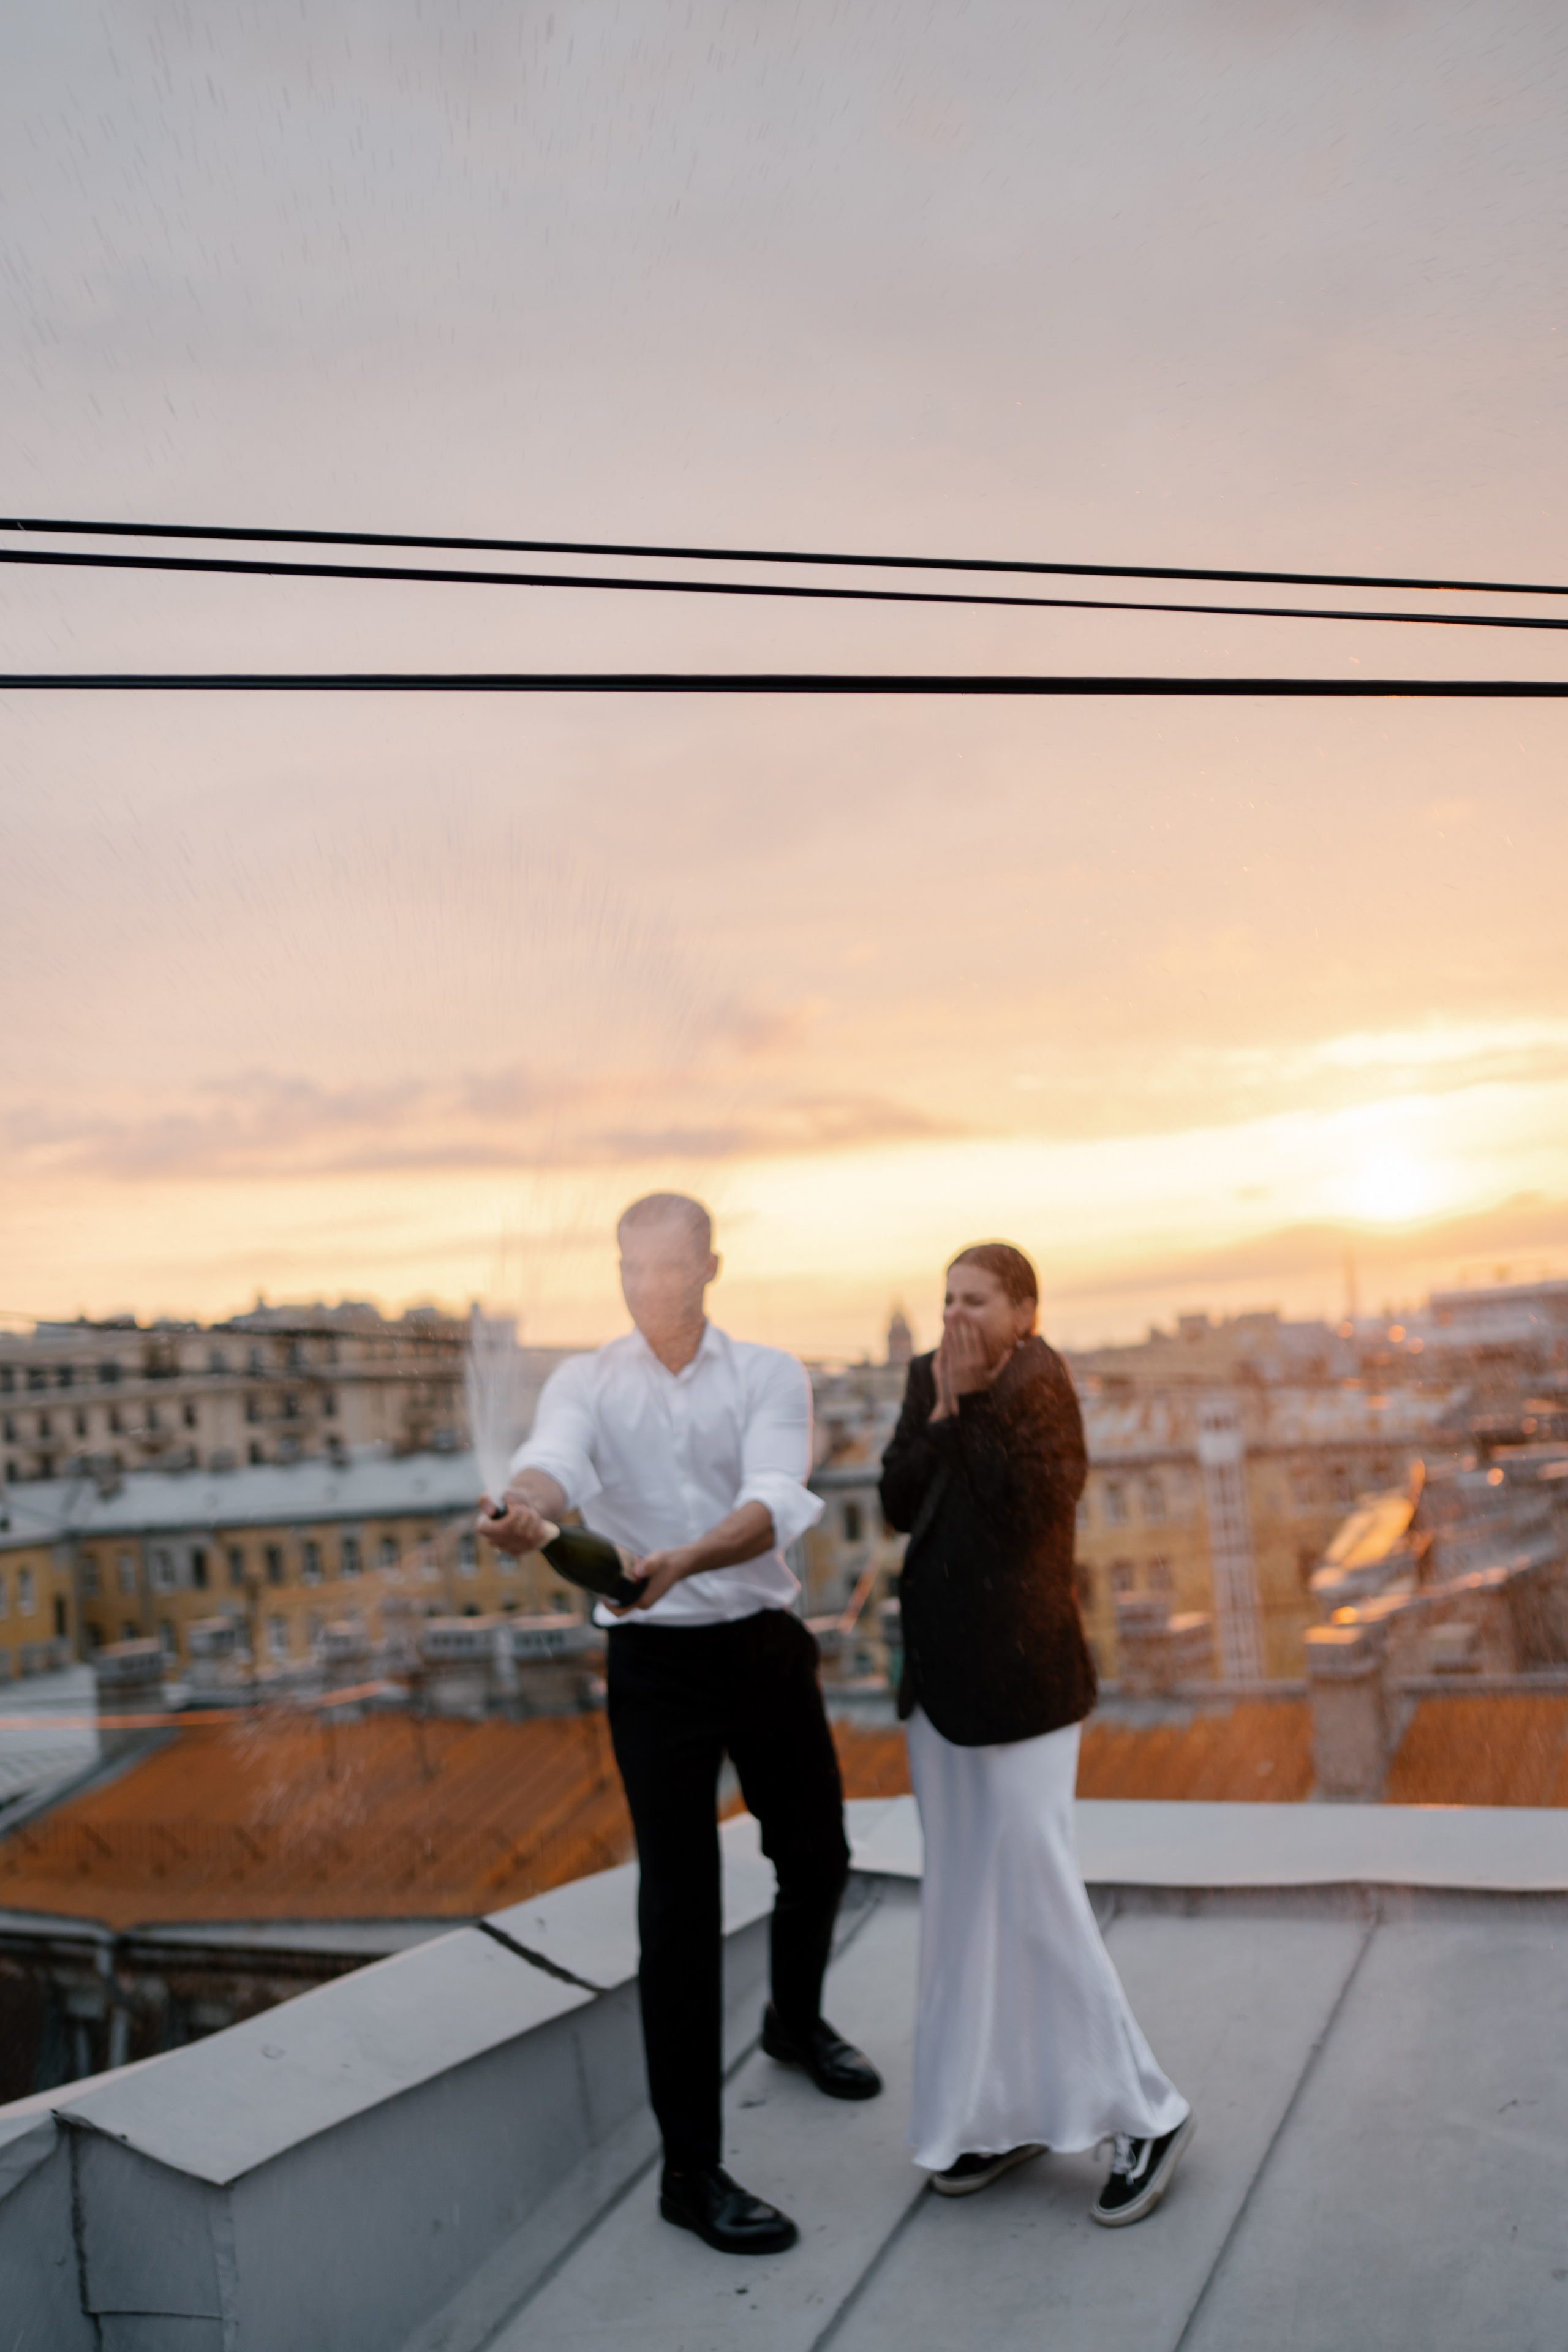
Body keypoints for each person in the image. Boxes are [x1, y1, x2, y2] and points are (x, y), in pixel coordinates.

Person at [483, 1194, 881, 2256]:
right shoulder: (587, 1380)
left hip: (758, 1640)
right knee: (679, 1910)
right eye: (629, 1266)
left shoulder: (767, 1374)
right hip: (654, 1666)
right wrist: (524, 1507)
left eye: (665, 1267)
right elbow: (551, 1462)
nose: (645, 1284)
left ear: (708, 1267)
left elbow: (774, 1497)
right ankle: (690, 2175)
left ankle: (793, 2023)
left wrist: (686, 1561)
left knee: (818, 1856)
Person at [879, 1241, 1194, 2226]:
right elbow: (897, 1503)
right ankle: (992, 2112)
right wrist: (937, 1411)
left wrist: (968, 1409)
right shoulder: (928, 1378)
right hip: (940, 1691)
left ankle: (1147, 2111)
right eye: (946, 1299)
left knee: (1037, 1893)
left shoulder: (1042, 1386)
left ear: (1024, 1311)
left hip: (1020, 1691)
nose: (956, 1316)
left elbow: (1027, 1514)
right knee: (966, 1909)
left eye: (976, 1300)